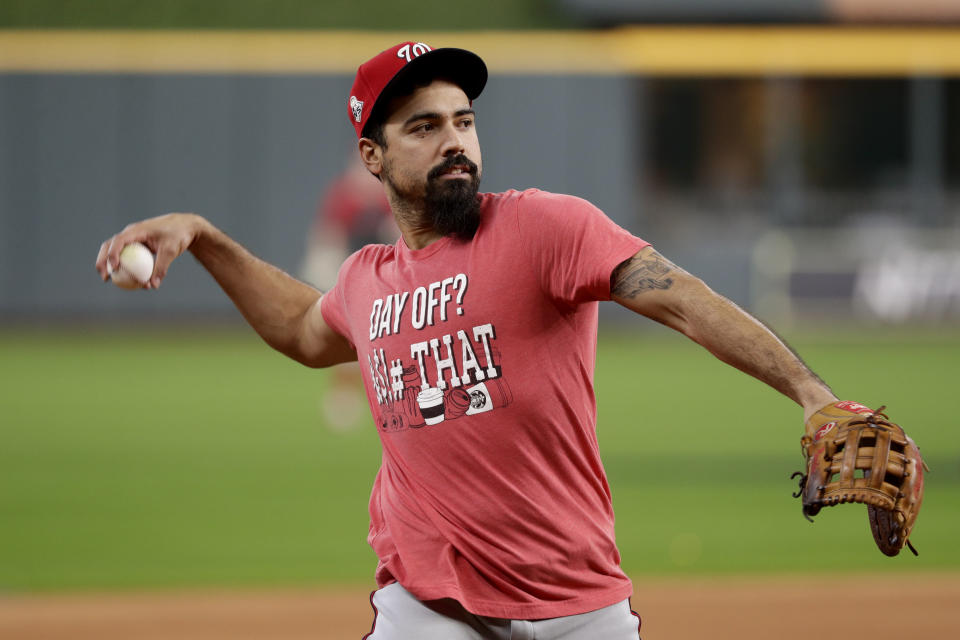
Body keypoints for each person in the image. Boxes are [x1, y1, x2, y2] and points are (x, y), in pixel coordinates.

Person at [96, 42, 838, 639]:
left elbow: (684, 301)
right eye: (424, 127)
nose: (454, 141)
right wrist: (201, 235)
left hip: (581, 607)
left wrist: (811, 393)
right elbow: (299, 325)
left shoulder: (545, 228)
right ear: (372, 157)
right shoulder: (367, 280)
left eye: (463, 120)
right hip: (430, 612)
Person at [300, 152, 397, 430]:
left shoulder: (387, 197)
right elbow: (327, 239)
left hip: (380, 281)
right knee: (352, 343)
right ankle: (343, 400)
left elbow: (398, 235)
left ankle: (384, 400)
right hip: (347, 278)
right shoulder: (344, 197)